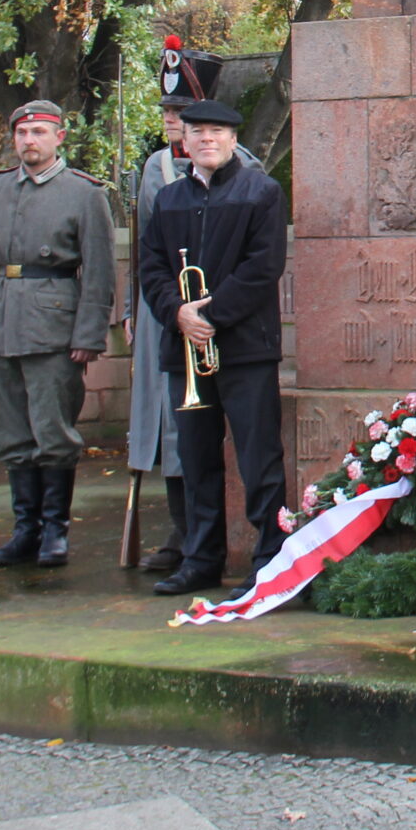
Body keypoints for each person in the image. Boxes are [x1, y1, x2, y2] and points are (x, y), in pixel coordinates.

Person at [0, 101, 116, 568]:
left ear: (60, 137)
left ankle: (55, 533)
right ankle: (26, 530)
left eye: (39, 132)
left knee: (52, 432)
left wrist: (90, 334)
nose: (29, 141)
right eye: (22, 133)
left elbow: (99, 271)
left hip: (54, 325)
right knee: (11, 433)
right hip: (1, 322)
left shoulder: (84, 194)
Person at [121, 39, 263, 573]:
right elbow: (145, 251)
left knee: (233, 440)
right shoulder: (155, 169)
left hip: (228, 325)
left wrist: (209, 311)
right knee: (168, 426)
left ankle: (239, 542)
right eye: (172, 114)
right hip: (168, 318)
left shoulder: (246, 171)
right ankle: (185, 536)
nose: (177, 124)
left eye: (184, 113)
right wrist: (152, 311)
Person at [138, 98, 289, 598]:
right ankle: (201, 558)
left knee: (258, 458)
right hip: (185, 349)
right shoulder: (169, 198)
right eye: (197, 131)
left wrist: (209, 314)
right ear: (183, 141)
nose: (207, 139)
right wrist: (176, 313)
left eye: (217, 132)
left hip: (245, 348)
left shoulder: (261, 191)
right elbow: (152, 266)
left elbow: (263, 267)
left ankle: (269, 559)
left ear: (232, 140)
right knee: (197, 459)